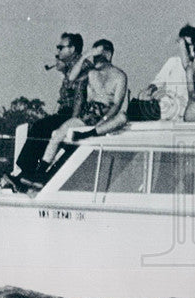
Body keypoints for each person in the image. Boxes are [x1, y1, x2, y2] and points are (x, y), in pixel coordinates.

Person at [37, 39, 128, 178]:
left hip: (105, 117)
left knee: (122, 117)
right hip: (87, 114)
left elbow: (116, 104)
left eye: (99, 54)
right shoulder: (91, 72)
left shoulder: (120, 75)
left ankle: (89, 133)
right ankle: (39, 173)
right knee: (57, 134)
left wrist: (104, 119)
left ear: (108, 55)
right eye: (95, 55)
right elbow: (71, 78)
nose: (96, 58)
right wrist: (86, 55)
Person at [7, 32, 83, 189]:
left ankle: (27, 172)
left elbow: (79, 96)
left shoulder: (80, 67)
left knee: (41, 127)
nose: (58, 52)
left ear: (72, 49)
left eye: (61, 47)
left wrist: (73, 120)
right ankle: (25, 173)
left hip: (71, 113)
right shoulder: (71, 67)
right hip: (65, 111)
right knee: (41, 128)